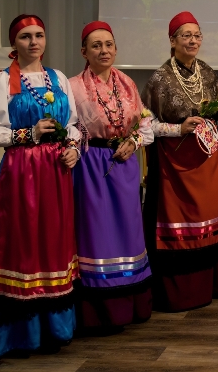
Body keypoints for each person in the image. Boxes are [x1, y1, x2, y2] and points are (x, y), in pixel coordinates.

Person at [0, 14, 81, 359]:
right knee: (23, 243)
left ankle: (55, 330)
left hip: (57, 173)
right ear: (14, 44)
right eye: (25, 37)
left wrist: (72, 149)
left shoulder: (59, 78)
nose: (33, 42)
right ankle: (21, 334)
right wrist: (28, 134)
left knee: (53, 243)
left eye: (38, 35)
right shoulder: (1, 81)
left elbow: (74, 124)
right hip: (22, 172)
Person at [141, 11, 218, 311]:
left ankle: (212, 285)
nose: (192, 40)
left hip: (205, 162)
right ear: (172, 40)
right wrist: (177, 129)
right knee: (179, 229)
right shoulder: (159, 79)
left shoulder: (207, 72)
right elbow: (145, 125)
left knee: (208, 225)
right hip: (173, 167)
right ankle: (181, 293)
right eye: (185, 35)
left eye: (197, 35)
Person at [69, 21, 154, 331]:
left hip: (125, 163)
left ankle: (132, 304)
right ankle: (99, 310)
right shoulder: (73, 86)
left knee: (128, 232)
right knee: (97, 233)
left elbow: (144, 125)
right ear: (84, 52)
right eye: (96, 45)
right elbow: (72, 128)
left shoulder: (128, 83)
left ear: (116, 49)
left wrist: (134, 141)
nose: (103, 50)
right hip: (92, 166)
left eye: (108, 44)